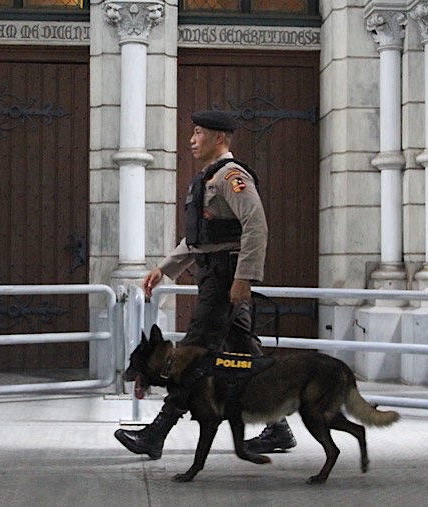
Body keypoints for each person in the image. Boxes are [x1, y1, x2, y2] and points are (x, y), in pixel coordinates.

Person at [114, 110, 296, 460]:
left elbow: (256, 227)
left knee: (192, 354)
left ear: (220, 139)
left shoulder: (232, 177)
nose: (192, 140)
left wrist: (244, 278)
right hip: (214, 274)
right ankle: (279, 427)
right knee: (244, 349)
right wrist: (165, 269)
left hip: (226, 277)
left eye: (199, 133)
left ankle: (156, 433)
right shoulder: (210, 179)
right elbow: (201, 238)